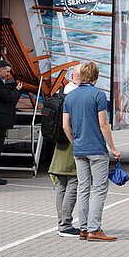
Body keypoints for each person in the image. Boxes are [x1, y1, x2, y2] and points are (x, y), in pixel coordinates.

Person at [63, 61, 121, 242]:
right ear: (96, 76)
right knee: (100, 189)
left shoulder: (70, 97)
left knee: (83, 188)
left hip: (79, 149)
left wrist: (74, 142)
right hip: (96, 149)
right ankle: (94, 229)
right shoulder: (99, 95)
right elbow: (104, 124)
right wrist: (112, 147)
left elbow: (66, 126)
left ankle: (83, 228)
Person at [48, 64, 82, 238]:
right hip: (72, 141)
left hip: (59, 142)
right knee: (74, 181)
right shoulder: (77, 95)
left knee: (61, 183)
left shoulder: (61, 91)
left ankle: (61, 223)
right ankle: (66, 225)